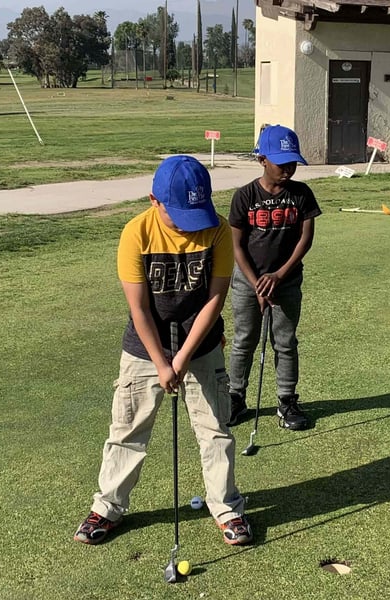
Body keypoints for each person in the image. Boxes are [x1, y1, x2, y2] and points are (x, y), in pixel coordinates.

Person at [74, 155, 252, 546]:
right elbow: (138, 308)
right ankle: (107, 507)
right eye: (179, 215)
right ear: (154, 200)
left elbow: (215, 300)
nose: (190, 226)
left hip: (201, 345)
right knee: (128, 430)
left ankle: (226, 508)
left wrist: (182, 358)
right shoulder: (136, 233)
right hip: (144, 348)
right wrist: (161, 362)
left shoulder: (218, 230)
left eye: (196, 213)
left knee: (215, 430)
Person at [226, 125, 322, 431]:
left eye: (293, 162)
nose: (288, 169)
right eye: (282, 163)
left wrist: (279, 276)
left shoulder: (301, 194)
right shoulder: (245, 196)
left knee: (285, 342)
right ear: (262, 160)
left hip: (286, 281)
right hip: (248, 282)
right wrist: (257, 284)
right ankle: (235, 397)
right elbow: (237, 246)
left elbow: (305, 240)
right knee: (244, 340)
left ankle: (286, 401)